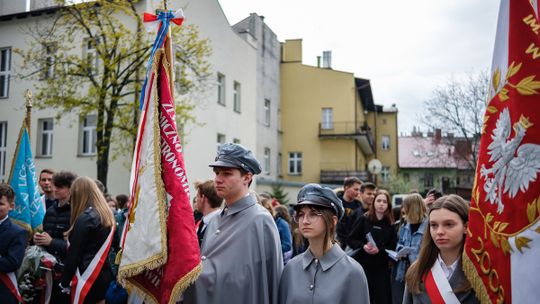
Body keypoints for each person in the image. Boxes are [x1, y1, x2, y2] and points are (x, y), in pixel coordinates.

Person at [183, 143, 283, 304]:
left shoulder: (260, 220)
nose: (218, 179)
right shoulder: (215, 220)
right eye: (216, 173)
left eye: (227, 173)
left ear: (247, 177)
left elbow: (272, 281)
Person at [278, 183, 369, 304]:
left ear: (332, 221)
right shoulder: (291, 269)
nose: (305, 221)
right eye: (301, 214)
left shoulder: (352, 271)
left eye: (314, 214)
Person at [403, 195, 479, 303]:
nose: (439, 231)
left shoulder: (480, 274)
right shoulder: (416, 270)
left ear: (466, 227)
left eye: (448, 224)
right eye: (434, 225)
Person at [60, 176, 116, 304]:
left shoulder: (86, 218)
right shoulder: (106, 215)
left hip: (87, 276)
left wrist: (64, 282)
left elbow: (74, 254)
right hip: (104, 274)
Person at [34, 170, 77, 304]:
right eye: (55, 185)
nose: (55, 188)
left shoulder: (76, 212)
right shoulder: (51, 210)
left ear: (70, 189)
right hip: (47, 271)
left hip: (67, 273)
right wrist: (38, 239)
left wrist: (51, 242)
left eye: (60, 186)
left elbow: (76, 247)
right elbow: (46, 236)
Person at [348, 189, 396, 304]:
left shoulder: (390, 224)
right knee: (365, 297)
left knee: (382, 298)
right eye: (379, 201)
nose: (381, 204)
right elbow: (351, 239)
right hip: (364, 265)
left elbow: (392, 246)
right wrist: (363, 246)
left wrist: (379, 250)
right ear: (374, 203)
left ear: (388, 205)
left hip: (382, 267)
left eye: (384, 202)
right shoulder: (364, 219)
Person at [392, 193, 428, 304]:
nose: (403, 209)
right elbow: (400, 243)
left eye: (405, 206)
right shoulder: (405, 225)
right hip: (403, 269)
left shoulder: (429, 225)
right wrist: (400, 251)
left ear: (412, 207)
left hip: (420, 271)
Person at [0, 184, 27, 304]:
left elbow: (12, 263)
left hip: (3, 292)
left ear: (11, 206)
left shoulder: (18, 232)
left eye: (1, 204)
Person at [261, 199, 293, 264]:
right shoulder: (261, 223)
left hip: (278, 262)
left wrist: (268, 249)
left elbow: (287, 245)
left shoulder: (282, 224)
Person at [193, 179, 222, 247]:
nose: (196, 200)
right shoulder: (203, 221)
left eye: (197, 196)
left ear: (203, 198)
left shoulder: (220, 224)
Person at [335, 177, 362, 248]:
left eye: (359, 190)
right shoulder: (335, 202)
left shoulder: (359, 206)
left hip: (351, 243)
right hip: (336, 241)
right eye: (356, 189)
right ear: (346, 188)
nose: (358, 192)